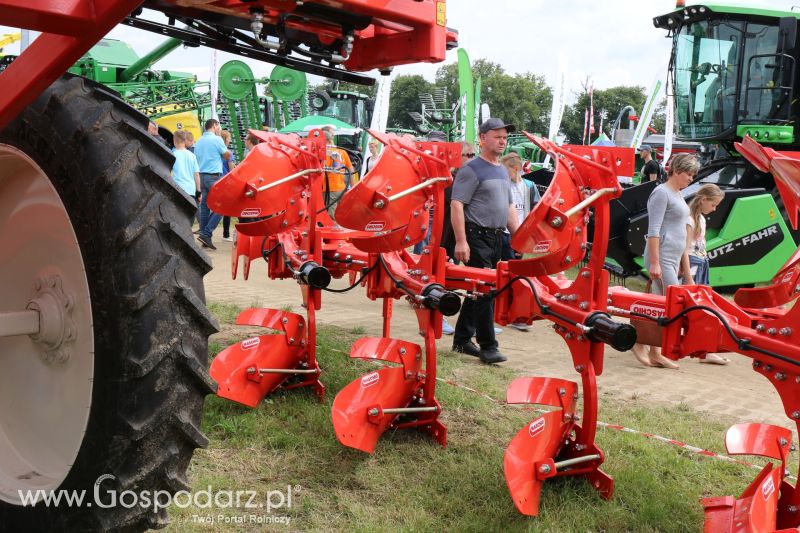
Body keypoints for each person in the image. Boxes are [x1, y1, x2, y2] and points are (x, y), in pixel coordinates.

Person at [450, 118, 521, 364]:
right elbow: (457, 204)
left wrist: (519, 236)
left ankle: (461, 340)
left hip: (496, 237)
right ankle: (488, 346)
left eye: (504, 137)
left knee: (479, 290)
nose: (502, 141)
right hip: (476, 236)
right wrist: (461, 241)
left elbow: (509, 206)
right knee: (485, 290)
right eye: (497, 136)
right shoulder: (471, 169)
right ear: (482, 138)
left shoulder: (501, 169)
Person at [631, 153, 700, 369]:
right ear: (677, 171)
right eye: (688, 174)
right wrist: (655, 262)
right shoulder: (661, 193)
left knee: (659, 304)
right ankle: (648, 347)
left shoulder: (677, 194)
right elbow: (653, 230)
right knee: (669, 305)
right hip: (661, 256)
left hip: (670, 257)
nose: (691, 178)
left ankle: (649, 347)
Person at [685, 184, 730, 365]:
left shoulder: (701, 219)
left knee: (704, 309)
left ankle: (707, 350)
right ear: (703, 200)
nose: (714, 209)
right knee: (700, 310)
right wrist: (688, 276)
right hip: (693, 268)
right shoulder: (690, 220)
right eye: (713, 204)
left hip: (701, 265)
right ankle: (706, 350)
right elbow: (685, 250)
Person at [499, 151, 540, 332]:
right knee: (499, 272)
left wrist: (529, 235)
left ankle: (516, 313)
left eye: (504, 169)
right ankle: (499, 310)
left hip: (518, 236)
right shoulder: (501, 184)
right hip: (501, 233)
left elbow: (536, 210)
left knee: (516, 275)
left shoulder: (529, 186)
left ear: (516, 168)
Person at [195, 118, 231, 250]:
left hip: (202, 175)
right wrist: (228, 152)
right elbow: (226, 155)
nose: (219, 128)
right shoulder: (217, 139)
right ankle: (206, 233)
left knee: (204, 207)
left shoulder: (198, 141)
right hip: (213, 176)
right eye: (218, 126)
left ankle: (205, 237)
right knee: (223, 205)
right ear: (214, 125)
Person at [322, 129, 354, 222]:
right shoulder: (341, 152)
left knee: (330, 218)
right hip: (342, 188)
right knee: (341, 216)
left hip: (329, 190)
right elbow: (351, 169)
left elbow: (323, 173)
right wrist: (353, 187)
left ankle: (337, 234)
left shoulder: (325, 153)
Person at [171, 130, 201, 198]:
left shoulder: (172, 155)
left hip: (177, 189)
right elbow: (196, 175)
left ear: (174, 141)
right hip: (191, 190)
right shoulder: (192, 155)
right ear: (184, 141)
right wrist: (198, 192)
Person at [220, 130, 237, 242]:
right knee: (228, 209)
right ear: (225, 139)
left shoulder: (217, 152)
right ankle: (226, 234)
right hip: (227, 182)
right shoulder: (228, 153)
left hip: (218, 180)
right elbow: (232, 170)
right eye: (229, 138)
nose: (230, 140)